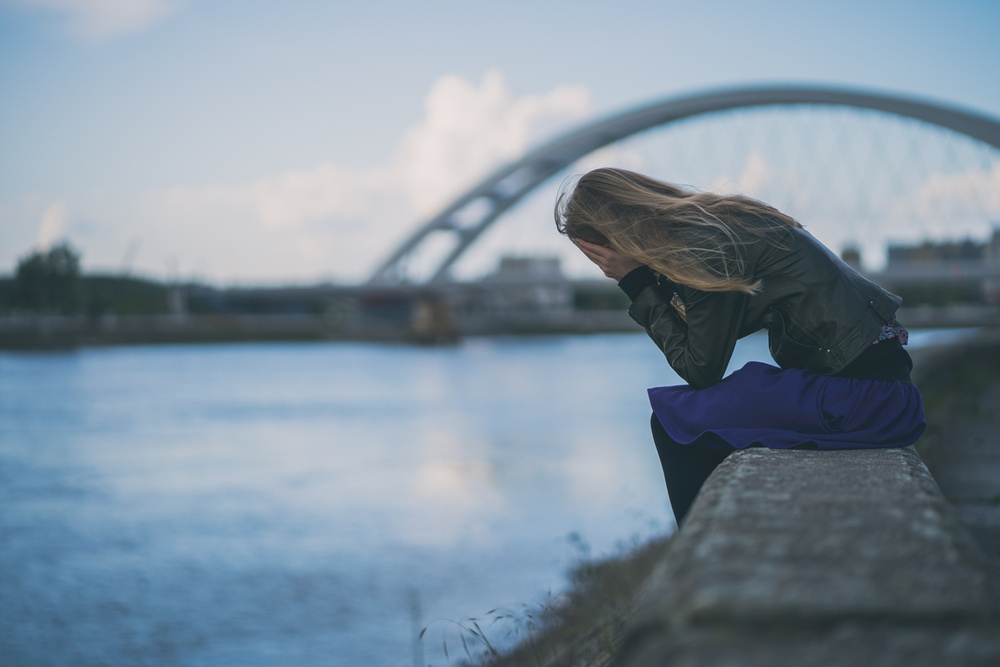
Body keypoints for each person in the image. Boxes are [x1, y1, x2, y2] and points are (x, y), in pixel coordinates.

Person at [555, 168, 925, 526]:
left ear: (615, 239)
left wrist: (635, 282)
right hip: (872, 392)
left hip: (869, 402)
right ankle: (719, 536)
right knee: (703, 413)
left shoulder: (704, 248)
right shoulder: (715, 226)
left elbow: (699, 370)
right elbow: (704, 335)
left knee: (672, 421)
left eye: (599, 257)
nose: (604, 269)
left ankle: (699, 554)